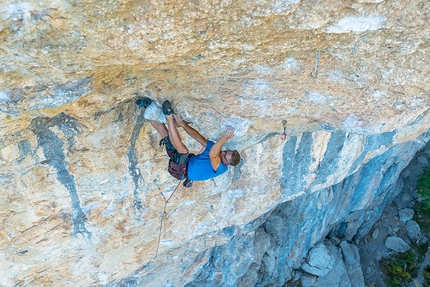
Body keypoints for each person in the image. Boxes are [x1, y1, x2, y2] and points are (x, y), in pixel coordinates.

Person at [136, 97, 241, 187]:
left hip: (180, 171)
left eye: (224, 155)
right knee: (165, 133)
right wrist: (183, 125)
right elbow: (198, 137)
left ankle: (168, 116)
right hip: (185, 161)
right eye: (226, 151)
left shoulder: (222, 168)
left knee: (183, 151)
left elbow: (212, 155)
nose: (222, 152)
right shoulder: (216, 149)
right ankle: (146, 106)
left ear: (226, 163)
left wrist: (224, 138)